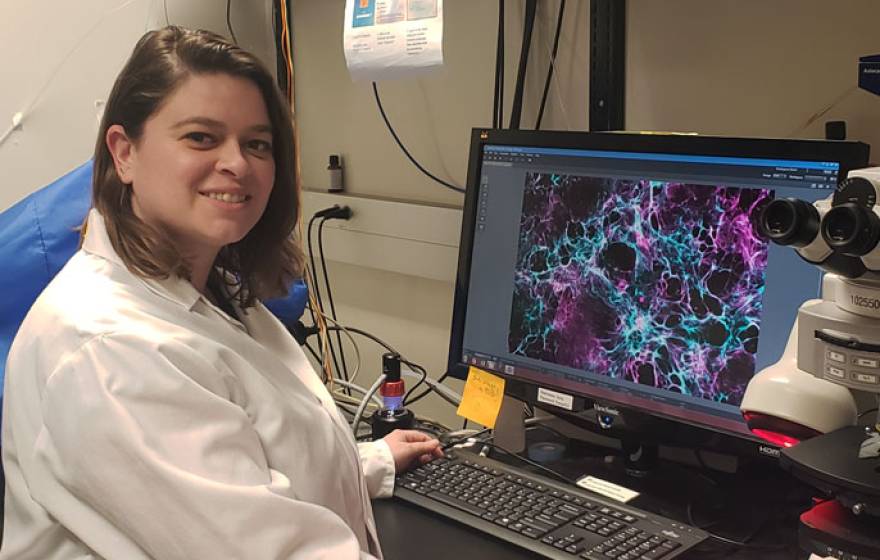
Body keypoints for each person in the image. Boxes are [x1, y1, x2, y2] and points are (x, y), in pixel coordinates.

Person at [1, 26, 442, 559]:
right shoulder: (110, 350)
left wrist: (366, 462)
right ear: (124, 152)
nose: (237, 163)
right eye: (201, 137)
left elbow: (223, 474)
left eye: (257, 144)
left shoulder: (211, 288)